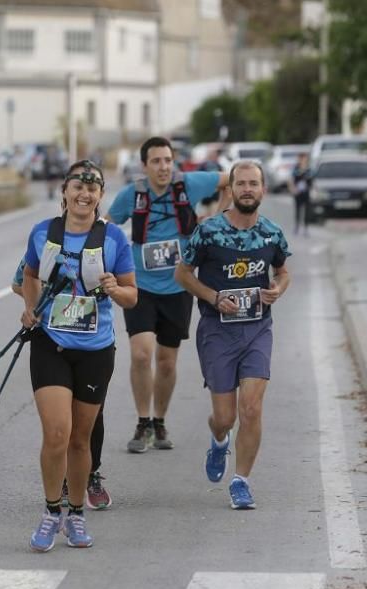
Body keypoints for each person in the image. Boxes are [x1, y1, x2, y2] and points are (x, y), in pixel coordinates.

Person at [19, 160, 137, 552]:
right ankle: (51, 512)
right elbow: (28, 277)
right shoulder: (43, 233)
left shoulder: (114, 239)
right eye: (78, 187)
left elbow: (131, 295)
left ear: (100, 196)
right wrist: (31, 308)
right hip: (50, 345)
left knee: (80, 440)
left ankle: (76, 514)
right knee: (56, 434)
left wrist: (113, 289)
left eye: (93, 188)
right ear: (64, 192)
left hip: (95, 350)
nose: (85, 194)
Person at [174, 160, 291, 510]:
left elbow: (283, 272)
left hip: (257, 329)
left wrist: (277, 289)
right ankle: (219, 439)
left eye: (254, 183)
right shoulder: (209, 231)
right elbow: (183, 274)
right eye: (241, 183)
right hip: (217, 331)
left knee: (251, 409)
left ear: (263, 189)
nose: (247, 189)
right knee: (225, 417)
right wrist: (213, 297)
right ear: (231, 189)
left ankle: (241, 482)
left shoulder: (272, 233)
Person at [106, 136, 230, 453]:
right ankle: (143, 421)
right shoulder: (132, 195)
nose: (163, 167)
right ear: (144, 165)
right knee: (141, 354)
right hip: (140, 285)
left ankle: (160, 421)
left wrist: (216, 219)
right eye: (156, 161)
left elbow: (227, 179)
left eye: (167, 160)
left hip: (178, 286)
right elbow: (108, 223)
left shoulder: (188, 185)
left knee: (166, 363)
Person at [12, 261, 112, 510]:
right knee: (59, 423)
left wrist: (106, 289)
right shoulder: (47, 240)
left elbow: (128, 289)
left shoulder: (103, 243)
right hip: (53, 341)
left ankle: (90, 475)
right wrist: (39, 302)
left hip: (94, 344)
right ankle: (64, 483)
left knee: (89, 421)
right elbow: (19, 283)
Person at [288, 153, 311, 236]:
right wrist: (293, 189)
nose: (303, 160)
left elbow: (312, 180)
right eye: (301, 159)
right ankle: (297, 226)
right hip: (298, 192)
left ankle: (306, 228)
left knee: (307, 211)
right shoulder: (295, 169)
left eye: (305, 159)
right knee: (298, 210)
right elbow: (291, 180)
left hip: (306, 192)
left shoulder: (309, 169)